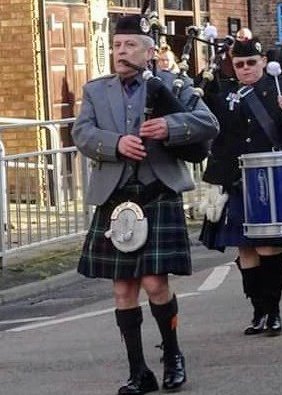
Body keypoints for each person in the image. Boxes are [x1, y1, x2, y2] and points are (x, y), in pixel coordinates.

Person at [72, 13, 219, 395]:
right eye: (117, 46)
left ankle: (172, 357)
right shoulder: (96, 90)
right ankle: (139, 372)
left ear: (150, 51)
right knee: (123, 290)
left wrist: (171, 127)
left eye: (130, 45)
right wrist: (115, 144)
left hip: (157, 193)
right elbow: (82, 132)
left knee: (155, 284)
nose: (121, 52)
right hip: (115, 198)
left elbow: (208, 123)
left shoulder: (173, 85)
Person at [199, 37, 282, 337]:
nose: (245, 68)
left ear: (263, 62)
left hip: (268, 181)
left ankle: (274, 310)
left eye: (251, 63)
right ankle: (258, 310)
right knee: (246, 248)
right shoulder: (222, 93)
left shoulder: (278, 90)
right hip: (234, 178)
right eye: (239, 64)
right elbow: (206, 126)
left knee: (268, 246)